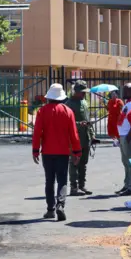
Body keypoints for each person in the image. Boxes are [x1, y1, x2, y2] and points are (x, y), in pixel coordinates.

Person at [32, 84, 81, 222]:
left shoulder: (42, 111)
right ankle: (61, 204)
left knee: (49, 181)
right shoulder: (68, 111)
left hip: (47, 151)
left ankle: (50, 210)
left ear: (49, 97)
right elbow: (74, 134)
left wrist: (35, 150)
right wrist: (77, 152)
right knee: (62, 180)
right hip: (63, 152)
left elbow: (37, 133)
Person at [65, 80, 95, 196]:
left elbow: (87, 119)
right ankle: (74, 187)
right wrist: (79, 124)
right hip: (74, 138)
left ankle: (82, 185)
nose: (84, 94)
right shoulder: (69, 104)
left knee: (83, 162)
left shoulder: (84, 102)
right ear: (76, 91)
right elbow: (67, 122)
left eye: (85, 92)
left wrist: (92, 134)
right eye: (82, 92)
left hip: (85, 137)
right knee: (74, 162)